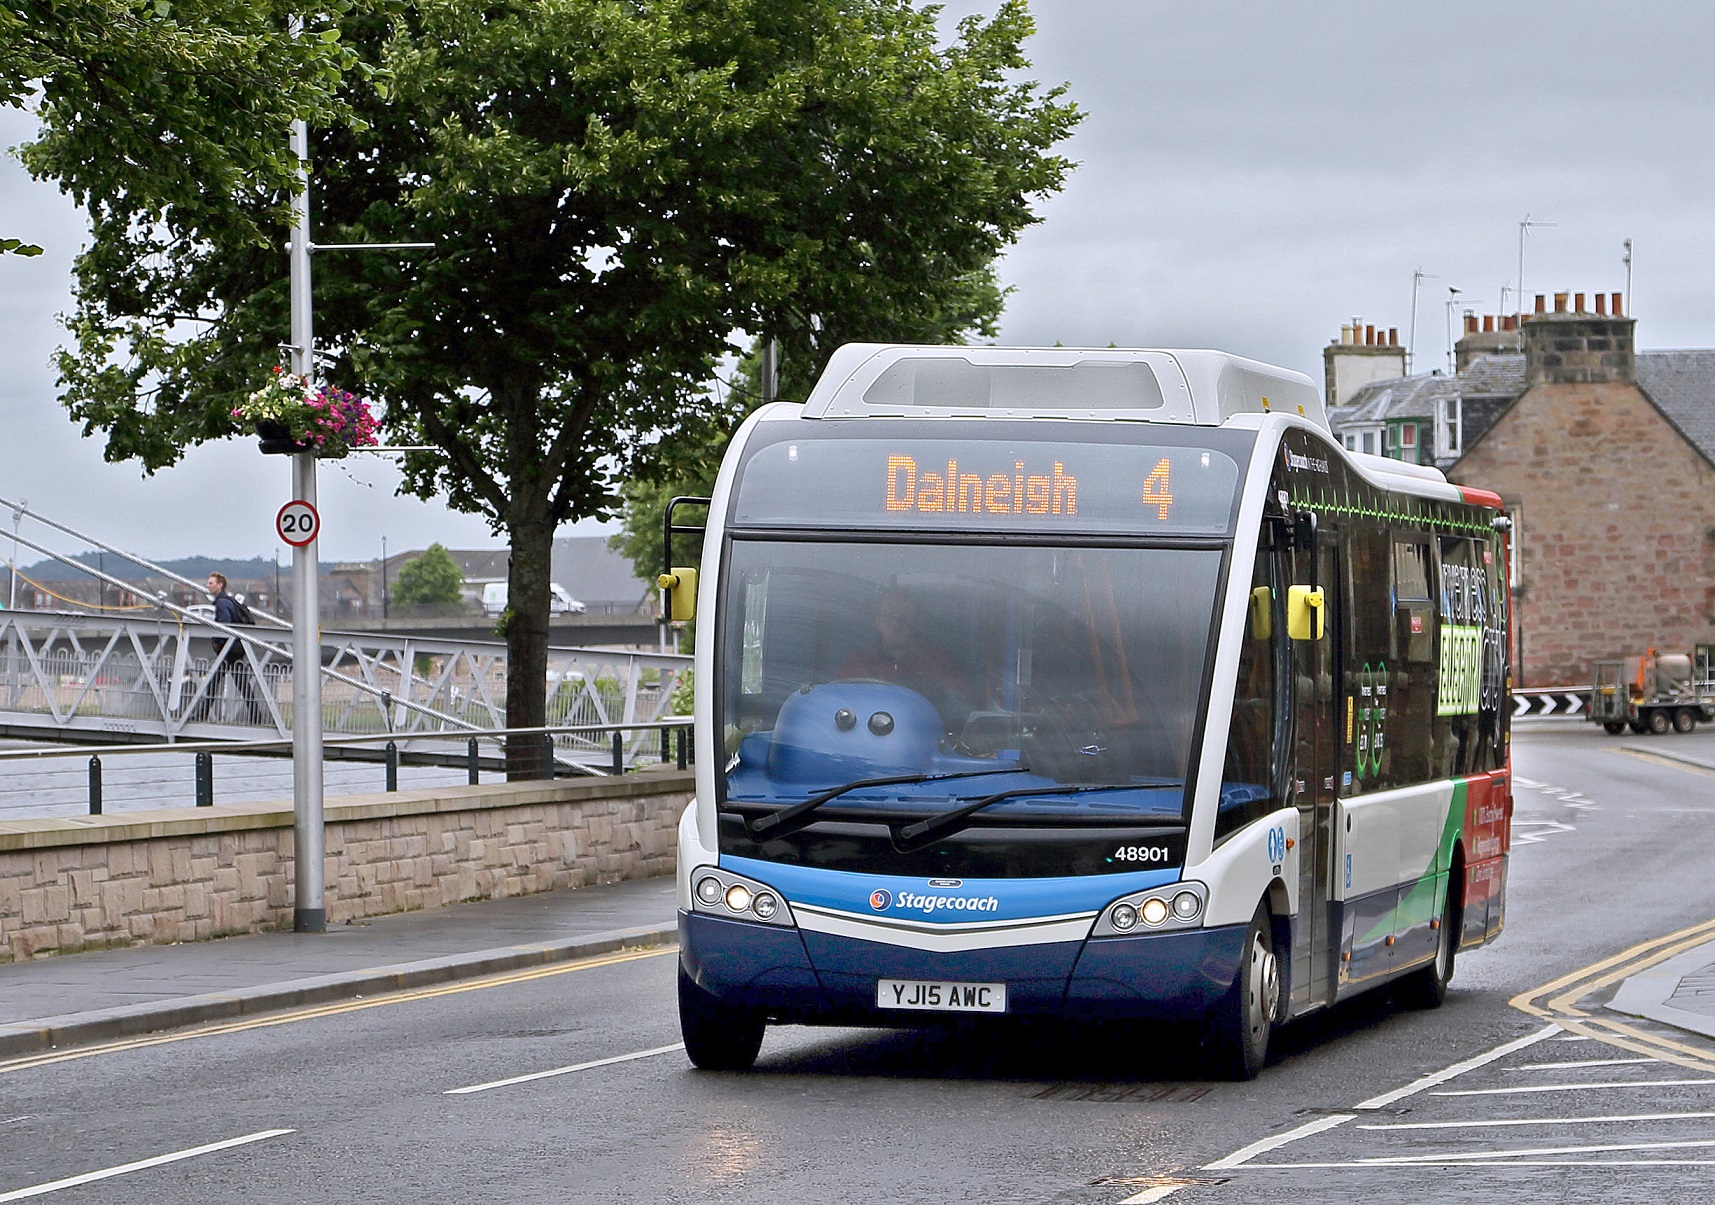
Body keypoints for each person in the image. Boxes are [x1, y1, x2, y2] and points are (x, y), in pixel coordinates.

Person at [838, 589, 970, 719]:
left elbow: (961, 708)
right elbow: (838, 704)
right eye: (889, 616)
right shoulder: (859, 662)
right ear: (878, 621)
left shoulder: (936, 663)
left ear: (915, 622)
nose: (896, 624)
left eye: (903, 618)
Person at [192, 573, 266, 723]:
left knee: (215, 682)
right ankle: (256, 717)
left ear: (220, 585)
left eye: (211, 583)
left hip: (228, 649)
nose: (208, 585)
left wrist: (218, 643)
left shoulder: (221, 604)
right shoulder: (228, 601)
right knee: (241, 684)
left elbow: (224, 625)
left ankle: (202, 714)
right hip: (236, 647)